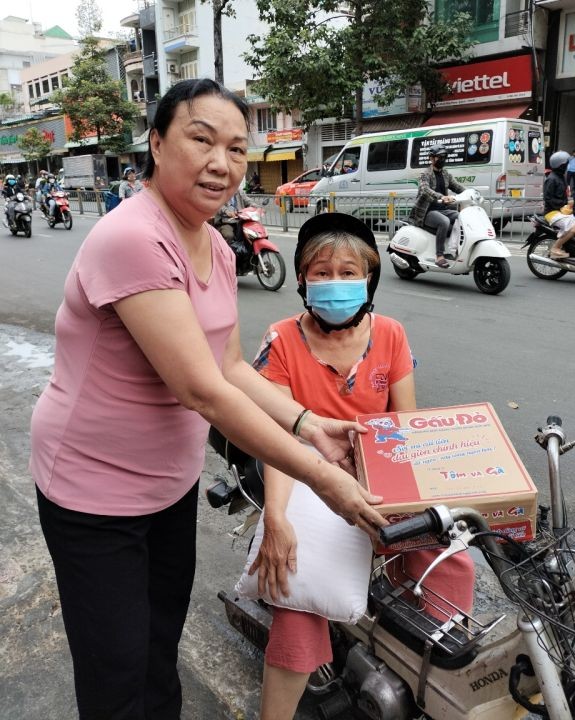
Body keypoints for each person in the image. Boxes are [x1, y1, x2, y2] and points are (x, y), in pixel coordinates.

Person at [29, 78, 386, 720]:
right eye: (201, 140)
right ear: (158, 144)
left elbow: (230, 368)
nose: (222, 162)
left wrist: (312, 426)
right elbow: (200, 389)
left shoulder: (218, 247)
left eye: (237, 148)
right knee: (115, 670)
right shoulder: (131, 237)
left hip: (168, 484)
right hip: (91, 492)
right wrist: (322, 480)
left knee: (158, 644)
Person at [250, 212, 476, 720]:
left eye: (349, 272)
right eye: (322, 272)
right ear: (302, 279)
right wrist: (277, 519)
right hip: (306, 480)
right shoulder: (282, 340)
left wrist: (419, 507)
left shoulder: (391, 335)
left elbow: (406, 429)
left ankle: (432, 677)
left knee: (446, 560)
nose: (336, 283)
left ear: (370, 279)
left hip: (378, 476)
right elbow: (279, 440)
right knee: (297, 600)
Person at [408, 144, 465, 268]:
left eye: (444, 156)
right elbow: (425, 189)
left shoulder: (445, 174)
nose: (442, 159)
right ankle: (439, 256)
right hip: (427, 212)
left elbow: (457, 187)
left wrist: (471, 193)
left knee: (461, 217)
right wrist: (441, 197)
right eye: (439, 157)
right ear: (432, 158)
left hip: (442, 210)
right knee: (444, 222)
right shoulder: (425, 173)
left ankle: (454, 249)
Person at [543, 150, 575, 259]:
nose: (567, 166)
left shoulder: (561, 177)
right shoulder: (551, 179)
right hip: (551, 213)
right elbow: (548, 199)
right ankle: (555, 248)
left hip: (560, 211)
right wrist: (565, 203)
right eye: (566, 164)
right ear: (561, 165)